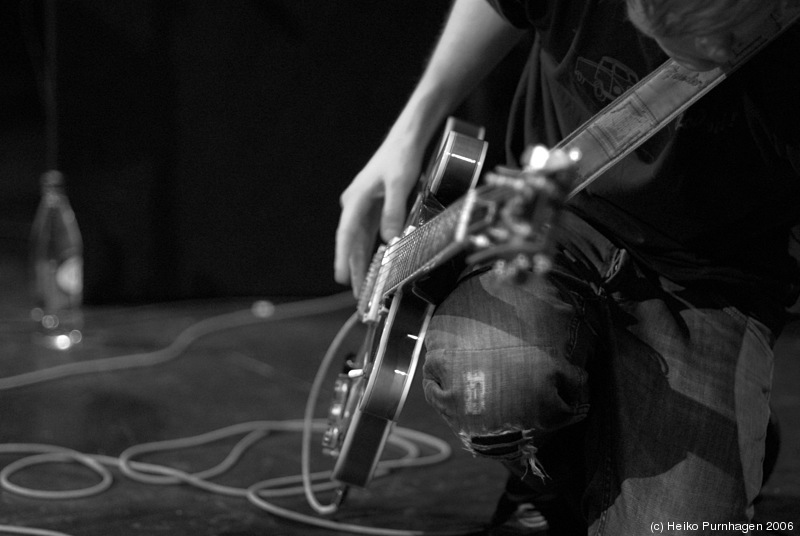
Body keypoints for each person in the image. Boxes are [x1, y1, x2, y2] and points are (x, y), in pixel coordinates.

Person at [334, 0, 800, 534]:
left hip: (713, 280)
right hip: (552, 222)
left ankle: (728, 432)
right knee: (493, 383)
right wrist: (408, 131)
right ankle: (547, 479)